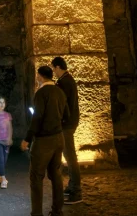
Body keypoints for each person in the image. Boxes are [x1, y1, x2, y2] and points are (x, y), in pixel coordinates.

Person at [21, 65, 70, 216]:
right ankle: (57, 211)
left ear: (41, 76)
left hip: (44, 141)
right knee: (55, 174)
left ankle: (36, 213)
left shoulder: (41, 93)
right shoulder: (60, 92)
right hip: (59, 138)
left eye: (37, 76)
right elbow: (67, 115)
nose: (36, 78)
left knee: (36, 177)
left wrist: (27, 139)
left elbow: (37, 118)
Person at [52, 56, 82, 204]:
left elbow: (63, 104)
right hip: (70, 122)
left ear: (58, 67)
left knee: (70, 157)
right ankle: (72, 186)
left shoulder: (64, 82)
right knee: (70, 157)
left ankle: (76, 191)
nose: (54, 72)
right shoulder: (68, 80)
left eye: (54, 69)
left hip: (67, 124)